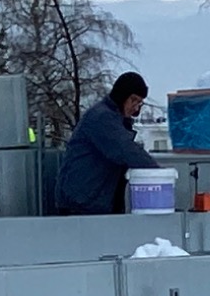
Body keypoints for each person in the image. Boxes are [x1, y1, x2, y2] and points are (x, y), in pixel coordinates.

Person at [53, 71, 159, 215]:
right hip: (82, 203)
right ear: (122, 96)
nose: (136, 107)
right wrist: (159, 173)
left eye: (139, 102)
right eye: (133, 100)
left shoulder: (113, 119)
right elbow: (125, 150)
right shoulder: (102, 118)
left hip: (90, 201)